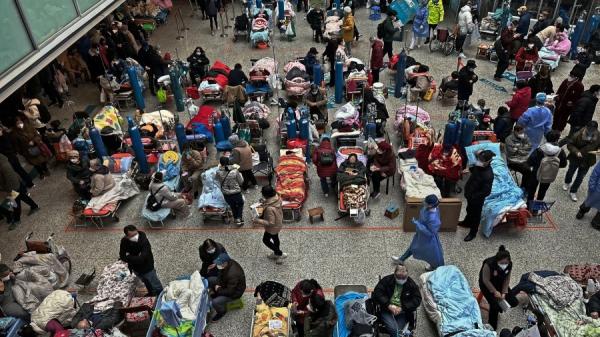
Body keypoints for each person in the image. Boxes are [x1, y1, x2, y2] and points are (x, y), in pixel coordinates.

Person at [392, 195, 444, 270]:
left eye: (425, 202)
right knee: (413, 247)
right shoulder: (428, 208)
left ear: (430, 205)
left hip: (428, 240)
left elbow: (430, 232)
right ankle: (401, 259)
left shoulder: (433, 219)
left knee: (432, 255)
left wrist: (418, 224)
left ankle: (435, 267)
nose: (423, 203)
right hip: (421, 235)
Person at [372, 264, 422, 336]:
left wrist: (403, 307)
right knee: (394, 330)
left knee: (398, 331)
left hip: (402, 312)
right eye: (399, 277)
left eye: (404, 277)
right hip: (387, 310)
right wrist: (388, 305)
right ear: (394, 275)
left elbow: (417, 299)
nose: (401, 279)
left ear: (407, 276)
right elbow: (377, 292)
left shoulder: (411, 284)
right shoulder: (387, 280)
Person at [460, 149, 495, 242]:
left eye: (482, 160)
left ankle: (473, 233)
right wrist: (468, 169)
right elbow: (474, 169)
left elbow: (486, 192)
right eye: (479, 159)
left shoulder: (488, 175)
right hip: (470, 194)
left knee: (476, 215)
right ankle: (467, 222)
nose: (479, 161)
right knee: (469, 209)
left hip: (477, 199)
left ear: (488, 161)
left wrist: (474, 196)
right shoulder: (479, 166)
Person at [119, 225, 164, 296]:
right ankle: (151, 293)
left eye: (135, 234)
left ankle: (161, 296)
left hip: (148, 268)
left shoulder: (144, 241)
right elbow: (122, 256)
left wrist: (129, 256)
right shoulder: (124, 241)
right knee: (146, 282)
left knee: (155, 284)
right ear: (127, 236)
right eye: (132, 236)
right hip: (136, 269)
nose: (135, 236)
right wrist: (136, 257)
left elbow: (142, 259)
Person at [563, 121, 600, 202]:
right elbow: (570, 145)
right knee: (570, 171)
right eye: (589, 129)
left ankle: (573, 191)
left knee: (580, 177)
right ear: (586, 127)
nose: (591, 131)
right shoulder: (578, 134)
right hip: (576, 158)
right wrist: (576, 152)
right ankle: (567, 182)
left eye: (593, 129)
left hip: (588, 160)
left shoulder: (598, 136)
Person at [526, 130, 567, 204]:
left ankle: (529, 207)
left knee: (532, 190)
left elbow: (529, 162)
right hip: (549, 174)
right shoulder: (560, 151)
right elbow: (564, 164)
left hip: (536, 173)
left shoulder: (539, 150)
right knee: (542, 192)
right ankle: (536, 209)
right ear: (557, 140)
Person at [479, 245, 513, 329]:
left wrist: (504, 292)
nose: (504, 265)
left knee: (513, 300)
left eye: (506, 263)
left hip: (500, 283)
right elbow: (485, 280)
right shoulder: (489, 264)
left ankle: (501, 307)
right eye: (502, 263)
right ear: (497, 261)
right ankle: (492, 327)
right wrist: (495, 291)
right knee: (494, 307)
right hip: (487, 285)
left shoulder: (509, 265)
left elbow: (507, 278)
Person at [252, 185, 287, 264]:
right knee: (275, 238)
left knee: (265, 240)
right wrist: (264, 202)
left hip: (273, 228)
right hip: (279, 222)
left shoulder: (269, 209)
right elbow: (270, 202)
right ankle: (277, 254)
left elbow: (271, 223)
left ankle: (279, 253)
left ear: (266, 195)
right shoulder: (277, 197)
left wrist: (257, 220)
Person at [209, 253, 246, 322]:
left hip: (234, 293)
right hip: (226, 283)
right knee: (211, 280)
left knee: (215, 302)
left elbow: (230, 292)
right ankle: (217, 294)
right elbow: (220, 273)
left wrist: (218, 289)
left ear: (225, 263)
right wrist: (218, 284)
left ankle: (221, 312)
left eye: (219, 264)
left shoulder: (233, 274)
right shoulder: (227, 264)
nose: (218, 265)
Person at [215, 156, 245, 226]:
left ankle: (235, 218)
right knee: (240, 204)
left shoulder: (218, 172)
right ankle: (239, 218)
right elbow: (241, 182)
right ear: (229, 162)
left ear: (220, 163)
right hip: (236, 192)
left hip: (226, 193)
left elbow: (216, 180)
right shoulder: (234, 171)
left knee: (232, 205)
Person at [576, 162, 600, 230]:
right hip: (597, 189)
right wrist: (592, 185)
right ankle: (582, 210)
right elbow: (595, 173)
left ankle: (596, 221)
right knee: (589, 201)